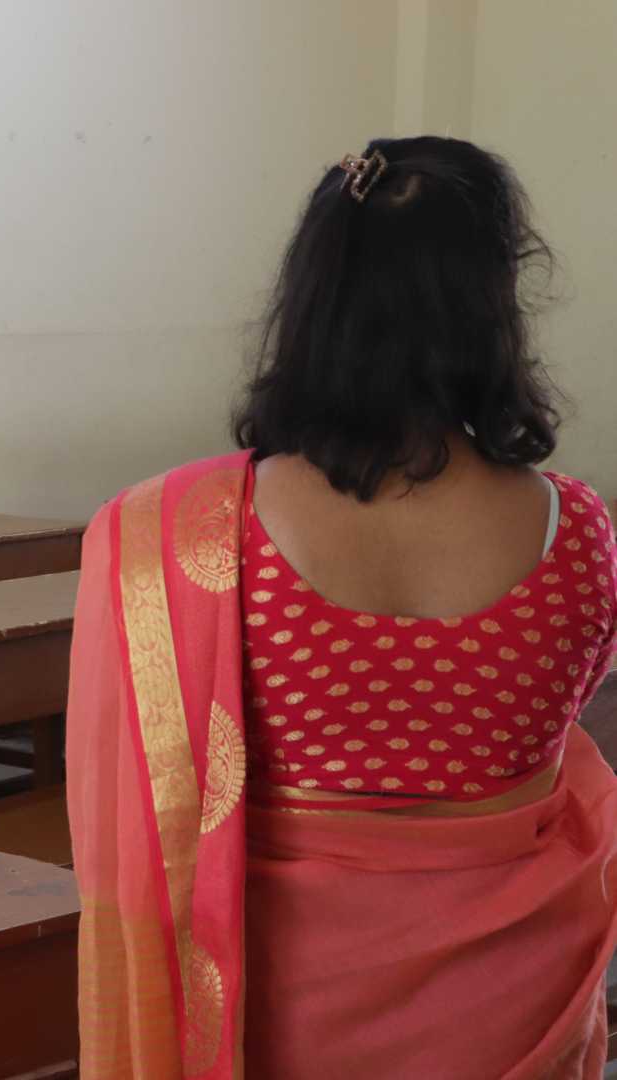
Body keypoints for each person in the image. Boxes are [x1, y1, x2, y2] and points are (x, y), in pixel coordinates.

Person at [66, 137, 617, 1077]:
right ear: (493, 300)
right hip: (511, 1011)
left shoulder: (188, 535)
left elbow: (136, 829)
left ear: (314, 295)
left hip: (280, 1014)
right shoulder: (577, 533)